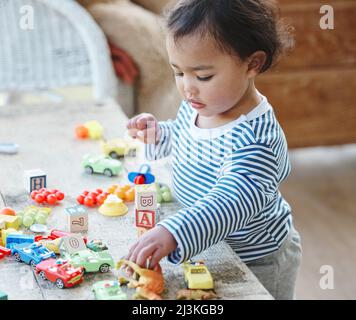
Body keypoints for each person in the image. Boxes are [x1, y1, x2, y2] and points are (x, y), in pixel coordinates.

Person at [126, 0, 302, 299]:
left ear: (252, 64)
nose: (188, 88)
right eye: (178, 73)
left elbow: (232, 200)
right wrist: (157, 133)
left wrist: (175, 231)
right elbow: (185, 138)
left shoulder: (256, 139)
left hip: (256, 261)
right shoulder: (201, 104)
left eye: (203, 76)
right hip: (211, 245)